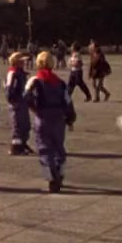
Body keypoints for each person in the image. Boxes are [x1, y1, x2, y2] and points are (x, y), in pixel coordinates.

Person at [24, 51, 76, 193]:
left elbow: (26, 97)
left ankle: (52, 179)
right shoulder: (60, 83)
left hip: (43, 118)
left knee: (45, 149)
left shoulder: (35, 81)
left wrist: (34, 109)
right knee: (59, 148)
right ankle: (60, 173)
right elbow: (68, 102)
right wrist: (70, 118)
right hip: (59, 119)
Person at [5, 52, 34, 155]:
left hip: (23, 102)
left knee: (26, 125)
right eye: (21, 61)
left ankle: (23, 143)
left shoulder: (20, 73)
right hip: (17, 103)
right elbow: (9, 89)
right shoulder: (13, 73)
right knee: (17, 125)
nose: (23, 62)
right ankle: (15, 147)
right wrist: (13, 101)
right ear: (16, 62)